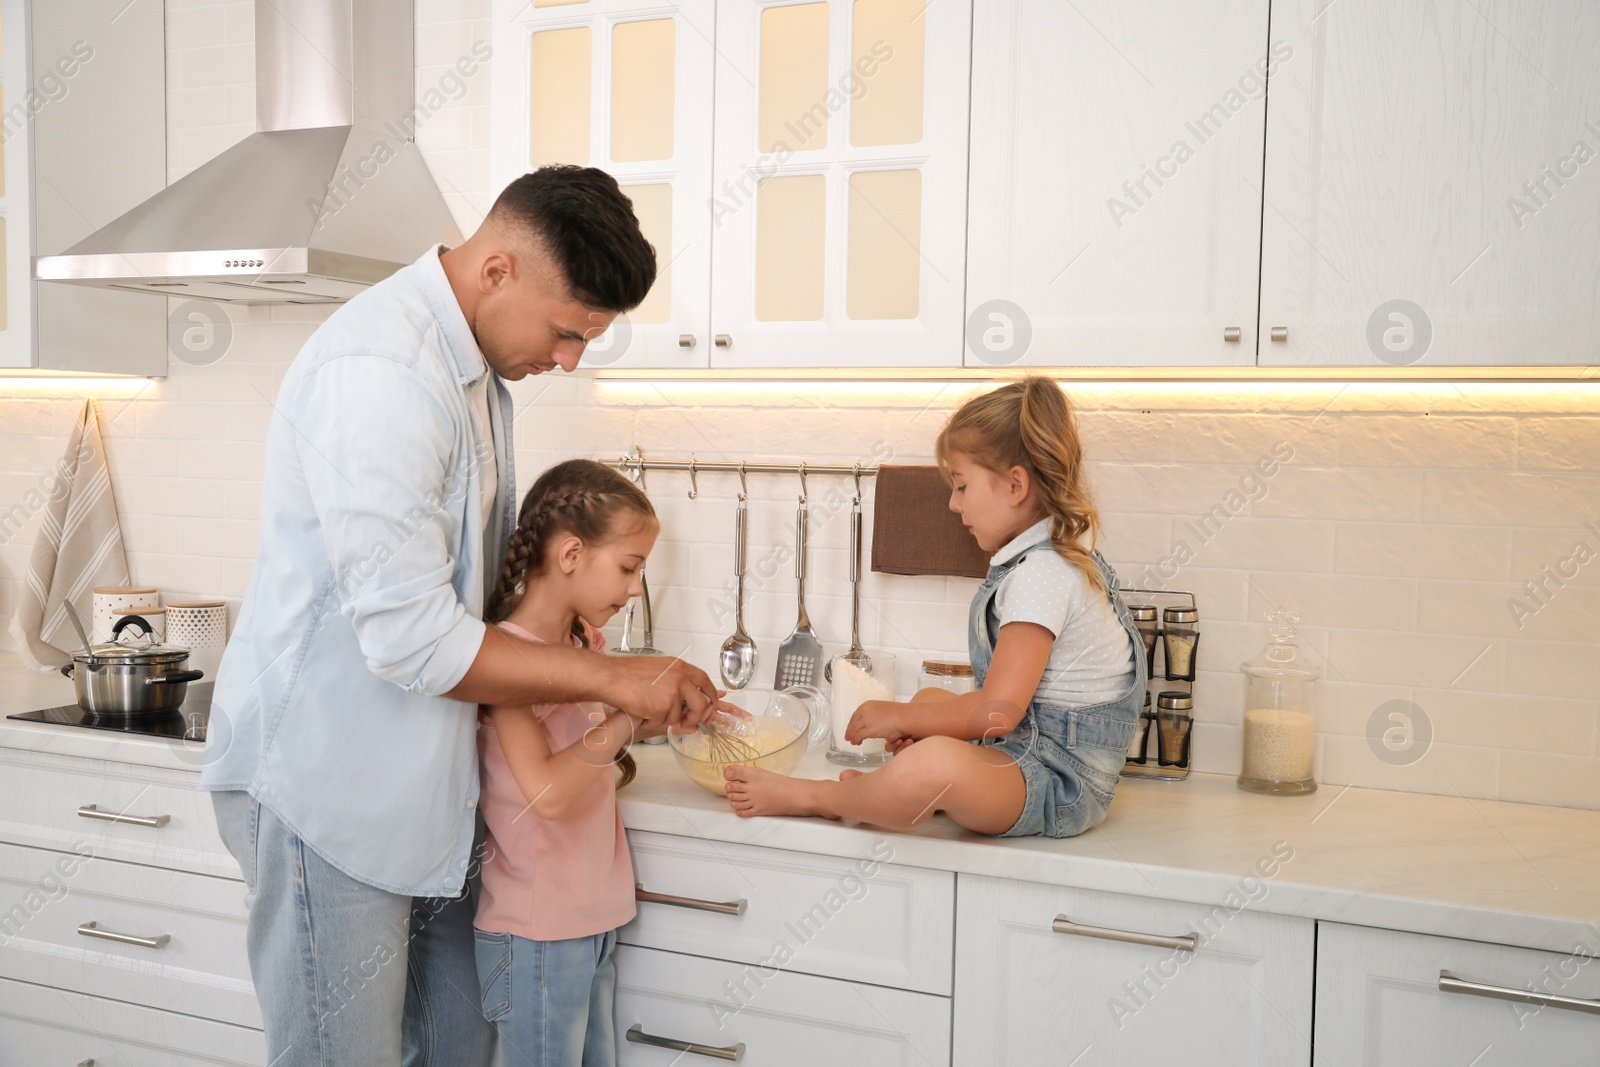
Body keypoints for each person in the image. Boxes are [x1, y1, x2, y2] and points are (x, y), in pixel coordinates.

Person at [200, 167, 727, 1067]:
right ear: (496, 271)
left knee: (459, 1049)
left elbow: (470, 594)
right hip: (328, 788)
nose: (571, 360)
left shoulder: (476, 377)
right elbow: (413, 636)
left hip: (426, 796)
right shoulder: (383, 373)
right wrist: (611, 677)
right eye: (567, 332)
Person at [725, 377, 1146, 838]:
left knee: (933, 759)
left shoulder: (1041, 575)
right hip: (1026, 749)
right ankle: (893, 792)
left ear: (1015, 485)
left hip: (1059, 781)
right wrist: (920, 716)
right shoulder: (1046, 558)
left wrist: (904, 718)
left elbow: (996, 713)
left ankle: (819, 798)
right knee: (929, 703)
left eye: (962, 486)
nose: (951, 503)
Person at [472, 459, 663, 1067]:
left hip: (591, 921)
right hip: (534, 932)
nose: (634, 587)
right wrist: (630, 716)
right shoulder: (504, 660)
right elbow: (546, 794)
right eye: (629, 567)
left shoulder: (587, 649)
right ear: (572, 553)